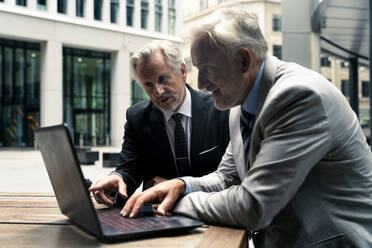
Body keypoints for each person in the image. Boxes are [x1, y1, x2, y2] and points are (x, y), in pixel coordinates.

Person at [120, 8, 372, 247]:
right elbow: (226, 177)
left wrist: (176, 203)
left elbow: (253, 206)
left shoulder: (299, 96)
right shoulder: (240, 104)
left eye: (207, 69)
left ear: (243, 60)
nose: (201, 83)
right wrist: (181, 185)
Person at [89, 40, 230, 207]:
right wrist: (116, 179)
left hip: (212, 214)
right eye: (148, 85)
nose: (158, 91)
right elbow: (130, 169)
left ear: (182, 71)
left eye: (163, 79)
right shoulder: (137, 117)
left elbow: (230, 177)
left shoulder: (221, 110)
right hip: (158, 218)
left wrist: (178, 187)